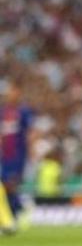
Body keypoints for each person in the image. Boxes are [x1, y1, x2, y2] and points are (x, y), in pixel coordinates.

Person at [0, 85, 32, 233]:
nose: (10, 96)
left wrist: (30, 152)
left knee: (11, 184)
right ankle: (14, 214)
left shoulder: (23, 111)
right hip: (4, 155)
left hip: (17, 155)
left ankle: (16, 212)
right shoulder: (2, 111)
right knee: (5, 185)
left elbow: (30, 133)